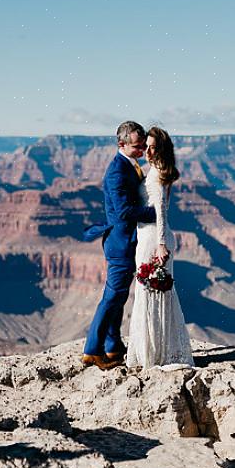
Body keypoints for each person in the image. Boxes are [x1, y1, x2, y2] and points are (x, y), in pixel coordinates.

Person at [81, 121, 156, 370]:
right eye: (137, 146)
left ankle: (113, 347)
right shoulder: (116, 171)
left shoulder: (129, 164)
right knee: (112, 298)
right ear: (121, 144)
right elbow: (123, 211)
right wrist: (154, 214)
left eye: (144, 145)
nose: (142, 150)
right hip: (121, 243)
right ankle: (93, 350)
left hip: (127, 240)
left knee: (119, 296)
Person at [126, 126, 193, 369]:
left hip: (154, 240)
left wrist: (162, 244)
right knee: (149, 294)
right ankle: (154, 352)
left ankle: (155, 355)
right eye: (147, 146)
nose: (148, 151)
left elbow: (161, 212)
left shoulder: (157, 174)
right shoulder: (154, 171)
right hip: (146, 237)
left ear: (162, 149)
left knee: (152, 294)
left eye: (154, 147)